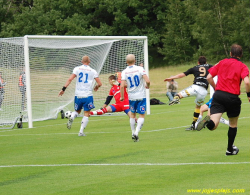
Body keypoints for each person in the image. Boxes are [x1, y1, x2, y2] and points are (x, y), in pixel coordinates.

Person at [196, 44, 250, 156]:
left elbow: (209, 77)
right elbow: (247, 82)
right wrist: (249, 94)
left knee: (214, 125)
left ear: (230, 53)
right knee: (233, 124)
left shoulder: (222, 62)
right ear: (241, 55)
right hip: (232, 98)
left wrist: (216, 88)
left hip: (219, 96)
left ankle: (207, 122)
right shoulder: (243, 66)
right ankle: (229, 149)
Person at [164, 56, 213, 130]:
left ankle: (177, 98)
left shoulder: (195, 68)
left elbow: (182, 75)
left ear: (198, 62)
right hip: (203, 91)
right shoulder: (209, 66)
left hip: (195, 87)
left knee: (179, 94)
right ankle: (193, 124)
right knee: (198, 107)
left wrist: (171, 78)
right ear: (206, 62)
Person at [58, 56, 102, 136]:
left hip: (78, 95)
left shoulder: (77, 69)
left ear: (82, 61)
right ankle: (81, 132)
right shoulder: (93, 71)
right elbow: (100, 83)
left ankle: (72, 116)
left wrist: (63, 89)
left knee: (77, 111)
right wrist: (97, 86)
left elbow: (70, 79)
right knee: (86, 113)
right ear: (89, 61)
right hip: (88, 95)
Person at [120, 54, 150, 142]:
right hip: (141, 95)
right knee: (141, 115)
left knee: (132, 115)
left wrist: (122, 96)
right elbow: (147, 80)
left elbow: (122, 86)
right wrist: (147, 85)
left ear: (126, 62)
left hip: (131, 96)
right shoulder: (140, 69)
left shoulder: (124, 71)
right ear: (135, 60)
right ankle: (136, 133)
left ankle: (133, 132)